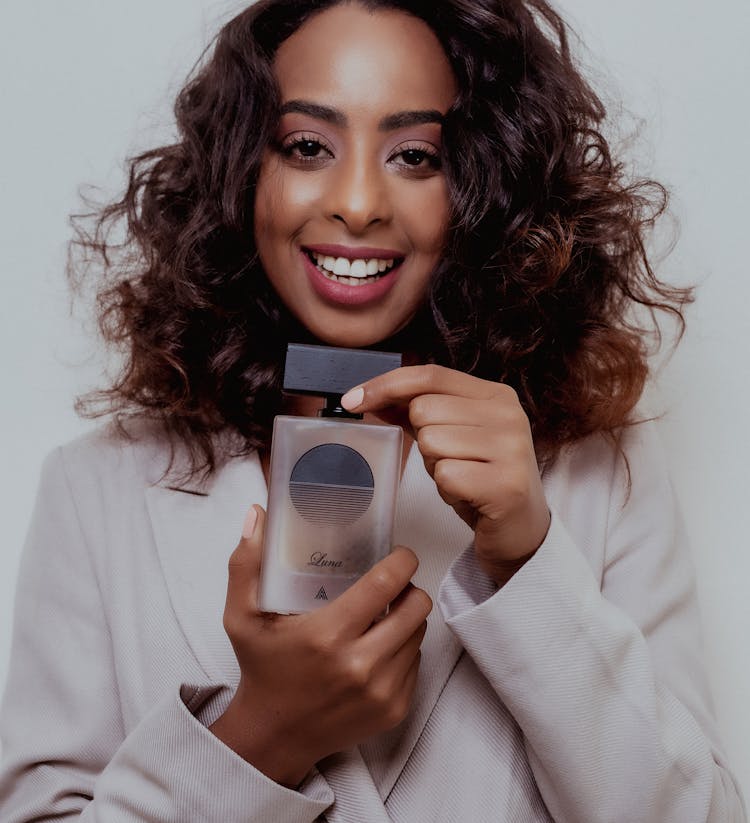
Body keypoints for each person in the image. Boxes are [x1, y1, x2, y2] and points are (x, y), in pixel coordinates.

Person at [0, 0, 745, 820]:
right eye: (308, 145)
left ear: (486, 183)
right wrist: (260, 736)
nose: (357, 202)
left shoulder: (602, 474)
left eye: (416, 156)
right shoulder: (94, 491)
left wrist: (529, 564)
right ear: (243, 172)